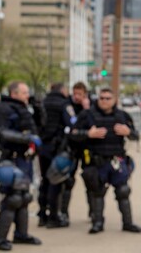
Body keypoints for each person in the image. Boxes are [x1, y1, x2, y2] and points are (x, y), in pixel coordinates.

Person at [70, 87, 141, 234]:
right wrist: (88, 134)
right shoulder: (87, 115)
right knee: (97, 192)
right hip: (96, 161)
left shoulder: (122, 116)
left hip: (116, 160)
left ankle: (128, 223)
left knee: (123, 191)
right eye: (101, 98)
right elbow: (73, 134)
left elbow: (136, 136)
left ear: (114, 100)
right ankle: (97, 223)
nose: (104, 101)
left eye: (108, 98)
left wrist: (128, 132)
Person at [0, 81, 42, 251]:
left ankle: (21, 234)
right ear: (14, 93)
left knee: (24, 198)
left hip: (25, 160)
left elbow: (39, 126)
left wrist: (38, 107)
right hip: (11, 159)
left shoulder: (24, 109)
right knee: (12, 199)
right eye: (24, 92)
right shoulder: (4, 108)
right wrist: (27, 139)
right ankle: (0, 239)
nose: (27, 95)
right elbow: (2, 132)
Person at [37, 83, 75, 228]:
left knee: (44, 181)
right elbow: (72, 123)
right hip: (57, 147)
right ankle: (53, 217)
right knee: (55, 181)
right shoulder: (64, 104)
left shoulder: (43, 103)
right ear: (62, 90)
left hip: (43, 147)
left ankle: (42, 215)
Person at [61, 81, 92, 223]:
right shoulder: (68, 106)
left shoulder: (91, 107)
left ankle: (93, 213)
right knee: (68, 181)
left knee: (91, 180)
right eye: (75, 93)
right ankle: (64, 212)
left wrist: (87, 109)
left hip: (87, 148)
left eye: (80, 94)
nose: (77, 97)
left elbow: (94, 125)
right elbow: (72, 124)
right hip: (72, 148)